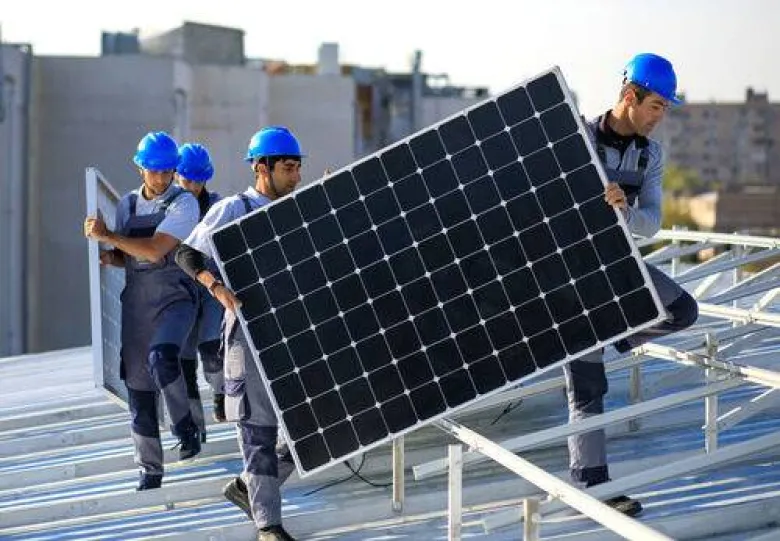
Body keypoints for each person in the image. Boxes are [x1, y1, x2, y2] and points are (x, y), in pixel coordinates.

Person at [566, 53, 699, 515]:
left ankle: (616, 334)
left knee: (681, 310)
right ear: (630, 96)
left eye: (664, 108)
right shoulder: (577, 140)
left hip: (619, 266)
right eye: (656, 106)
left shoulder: (650, 155)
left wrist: (623, 210)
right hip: (571, 275)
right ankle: (591, 484)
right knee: (588, 385)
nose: (660, 117)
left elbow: (652, 223)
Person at [175, 126, 302, 541]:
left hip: (291, 330)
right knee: (257, 428)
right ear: (262, 167)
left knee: (315, 422)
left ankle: (249, 488)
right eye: (288, 168)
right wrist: (216, 287)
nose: (296, 176)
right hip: (247, 332)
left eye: (297, 168)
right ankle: (268, 525)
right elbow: (186, 253)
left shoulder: (297, 209)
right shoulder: (234, 208)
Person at [84, 131, 202, 491]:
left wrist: (109, 236)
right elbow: (131, 255)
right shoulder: (126, 206)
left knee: (162, 358)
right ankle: (150, 472)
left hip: (176, 298)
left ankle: (185, 427)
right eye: (155, 171)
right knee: (138, 389)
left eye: (168, 171)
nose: (162, 178)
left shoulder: (184, 203)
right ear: (140, 168)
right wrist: (111, 256)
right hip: (137, 306)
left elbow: (154, 250)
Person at [176, 142, 227, 439]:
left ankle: (222, 393)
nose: (193, 187)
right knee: (184, 362)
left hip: (210, 288)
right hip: (179, 291)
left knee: (211, 349)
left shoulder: (218, 206)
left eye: (198, 181)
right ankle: (194, 430)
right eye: (187, 180)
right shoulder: (167, 208)